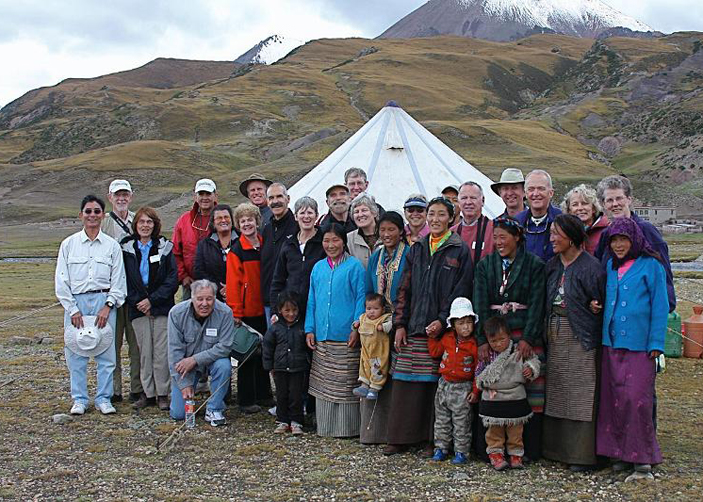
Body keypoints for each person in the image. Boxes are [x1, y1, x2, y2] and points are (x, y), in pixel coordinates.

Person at [385, 197, 473, 456]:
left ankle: (430, 440)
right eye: (431, 214)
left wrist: (444, 319)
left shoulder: (459, 249)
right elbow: (404, 288)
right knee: (403, 382)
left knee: (433, 387)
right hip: (413, 326)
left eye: (440, 215)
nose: (435, 219)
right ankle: (400, 437)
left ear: (451, 218)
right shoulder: (418, 248)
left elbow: (461, 290)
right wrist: (400, 323)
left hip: (441, 330)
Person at [596, 217, 667, 481]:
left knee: (637, 401)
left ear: (634, 239)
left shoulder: (651, 266)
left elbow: (660, 306)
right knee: (614, 401)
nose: (618, 245)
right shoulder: (611, 267)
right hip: (611, 343)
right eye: (614, 240)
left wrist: (656, 343)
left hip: (641, 346)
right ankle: (618, 455)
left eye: (623, 239)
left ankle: (642, 460)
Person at [473, 217, 546, 461]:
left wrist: (528, 337)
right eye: (496, 237)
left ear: (517, 237)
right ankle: (494, 449)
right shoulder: (486, 265)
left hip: (525, 332)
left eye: (503, 237)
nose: (498, 242)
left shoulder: (534, 265)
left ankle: (526, 450)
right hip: (495, 335)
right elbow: (480, 302)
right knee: (495, 388)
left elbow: (537, 304)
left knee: (530, 389)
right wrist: (483, 340)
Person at [543, 214, 605, 471]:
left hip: (581, 336)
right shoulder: (552, 265)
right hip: (555, 334)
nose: (552, 239)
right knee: (557, 389)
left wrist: (595, 306)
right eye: (551, 234)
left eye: (557, 234)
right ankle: (555, 450)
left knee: (581, 393)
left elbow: (601, 301)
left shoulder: (591, 267)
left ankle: (581, 455)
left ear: (572, 237)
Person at [55, 195, 126, 415]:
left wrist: (109, 305)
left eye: (97, 211)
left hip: (104, 302)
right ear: (81, 215)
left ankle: (104, 398)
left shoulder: (112, 246)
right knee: (76, 352)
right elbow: (61, 280)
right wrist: (72, 309)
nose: (92, 215)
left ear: (103, 215)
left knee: (106, 353)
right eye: (88, 211)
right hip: (77, 302)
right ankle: (79, 399)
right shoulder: (69, 244)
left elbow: (119, 280)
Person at [305, 224, 366, 437]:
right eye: (326, 241)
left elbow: (361, 298)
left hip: (346, 335)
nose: (330, 245)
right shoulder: (318, 267)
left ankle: (348, 429)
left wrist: (356, 327)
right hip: (322, 334)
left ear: (343, 241)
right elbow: (312, 299)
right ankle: (326, 427)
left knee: (346, 382)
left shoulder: (354, 266)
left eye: (335, 240)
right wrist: (309, 328)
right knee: (325, 384)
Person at [121, 207, 179, 411]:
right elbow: (123, 279)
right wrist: (139, 302)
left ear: (155, 225)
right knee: (144, 352)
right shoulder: (126, 248)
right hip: (137, 308)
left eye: (149, 222)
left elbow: (173, 279)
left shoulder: (165, 247)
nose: (145, 226)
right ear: (135, 225)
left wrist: (152, 301)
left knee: (161, 351)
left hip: (161, 307)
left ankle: (163, 393)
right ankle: (148, 393)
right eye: (141, 222)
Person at [361, 211, 410, 444]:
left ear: (401, 231)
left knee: (396, 376)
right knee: (374, 370)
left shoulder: (409, 255)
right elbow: (368, 290)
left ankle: (396, 434)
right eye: (383, 230)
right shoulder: (376, 257)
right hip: (376, 325)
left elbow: (413, 291)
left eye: (392, 229)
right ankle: (374, 433)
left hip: (400, 323)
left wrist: (400, 322)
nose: (387, 234)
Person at [595, 175, 675, 313]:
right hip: (611, 311)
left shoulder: (646, 230)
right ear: (603, 205)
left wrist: (666, 305)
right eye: (609, 200)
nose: (615, 204)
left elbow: (663, 272)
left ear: (629, 199)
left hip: (641, 313)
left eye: (619, 198)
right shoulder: (605, 235)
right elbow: (598, 268)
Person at [475, 316, 540, 471]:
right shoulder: (486, 355)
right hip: (493, 398)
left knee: (515, 430)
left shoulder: (517, 350)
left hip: (515, 397)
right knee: (494, 431)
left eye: (502, 339)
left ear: (509, 336)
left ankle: (516, 454)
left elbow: (534, 360)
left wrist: (530, 369)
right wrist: (482, 384)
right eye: (493, 341)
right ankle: (496, 454)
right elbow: (479, 375)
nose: (498, 344)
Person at [167, 279, 234, 427]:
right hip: (186, 367)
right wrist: (184, 383)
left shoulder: (225, 313)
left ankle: (214, 408)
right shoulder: (176, 314)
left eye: (209, 299)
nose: (204, 303)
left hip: (211, 362)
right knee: (178, 414)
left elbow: (225, 346)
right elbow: (174, 353)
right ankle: (186, 393)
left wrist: (195, 359)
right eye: (200, 299)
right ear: (192, 298)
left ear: (215, 298)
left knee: (224, 365)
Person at [226, 202, 272, 414]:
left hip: (265, 307)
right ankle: (246, 399)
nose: (246, 224)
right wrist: (235, 312)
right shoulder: (237, 250)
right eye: (242, 221)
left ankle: (264, 395)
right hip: (248, 309)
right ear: (238, 224)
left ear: (257, 221)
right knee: (247, 354)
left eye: (250, 220)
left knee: (264, 353)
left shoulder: (265, 244)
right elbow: (233, 282)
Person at [101, 179, 141, 403]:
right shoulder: (103, 223)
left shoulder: (139, 220)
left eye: (125, 194)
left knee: (135, 344)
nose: (121, 198)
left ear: (131, 196)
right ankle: (114, 390)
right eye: (117, 195)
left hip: (134, 292)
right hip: (111, 293)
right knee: (111, 344)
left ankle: (137, 388)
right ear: (110, 197)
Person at [428, 297, 480, 466]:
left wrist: (475, 390)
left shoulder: (474, 345)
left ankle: (461, 451)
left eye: (469, 322)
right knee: (442, 419)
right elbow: (435, 352)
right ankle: (441, 448)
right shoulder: (447, 339)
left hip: (462, 387)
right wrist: (431, 337)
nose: (466, 327)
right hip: (444, 384)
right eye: (461, 323)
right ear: (453, 324)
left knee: (461, 421)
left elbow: (478, 370)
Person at [270, 196, 326, 317]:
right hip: (292, 311)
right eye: (302, 213)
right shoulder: (288, 244)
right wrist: (275, 310)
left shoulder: (324, 243)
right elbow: (278, 280)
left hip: (318, 308)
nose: (306, 216)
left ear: (316, 216)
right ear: (296, 217)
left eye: (310, 212)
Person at [262, 292, 309, 435]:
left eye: (294, 310)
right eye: (287, 310)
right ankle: (282, 420)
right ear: (280, 310)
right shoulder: (275, 328)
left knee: (296, 395)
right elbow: (268, 347)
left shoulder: (303, 327)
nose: (291, 314)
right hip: (280, 367)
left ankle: (296, 421)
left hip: (298, 367)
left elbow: (307, 348)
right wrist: (269, 366)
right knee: (281, 395)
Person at [173, 179, 218, 300]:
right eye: (201, 194)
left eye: (208, 194)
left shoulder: (223, 218)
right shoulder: (184, 220)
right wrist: (183, 277)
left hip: (219, 284)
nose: (204, 198)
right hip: (191, 283)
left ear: (215, 196)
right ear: (195, 196)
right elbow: (176, 252)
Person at [261, 183, 298, 324]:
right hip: (269, 300)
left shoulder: (297, 227)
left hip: (291, 304)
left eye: (279, 196)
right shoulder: (267, 229)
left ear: (288, 199)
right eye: (271, 198)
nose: (275, 201)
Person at [352, 293, 392, 401]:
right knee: (364, 366)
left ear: (383, 310)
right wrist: (355, 325)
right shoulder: (363, 317)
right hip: (365, 350)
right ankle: (364, 385)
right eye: (368, 308)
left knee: (378, 368)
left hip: (378, 350)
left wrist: (383, 327)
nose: (371, 311)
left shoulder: (384, 318)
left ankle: (375, 388)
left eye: (375, 308)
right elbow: (357, 322)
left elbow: (391, 324)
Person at [515, 170, 562, 262]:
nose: (536, 194)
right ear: (525, 193)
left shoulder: (562, 221)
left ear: (551, 193)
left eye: (541, 189)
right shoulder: (517, 222)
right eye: (531, 189)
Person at [193, 204, 237, 302]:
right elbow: (199, 271)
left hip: (241, 295)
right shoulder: (204, 245)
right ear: (213, 222)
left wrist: (231, 287)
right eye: (219, 218)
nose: (223, 220)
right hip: (214, 297)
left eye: (226, 217)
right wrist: (218, 287)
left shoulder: (242, 240)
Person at [453, 182, 495, 268]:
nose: (468, 202)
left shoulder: (495, 229)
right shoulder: (451, 233)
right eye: (464, 198)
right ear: (458, 202)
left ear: (482, 201)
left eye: (473, 198)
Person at [561, 184, 609, 255]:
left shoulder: (607, 230)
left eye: (584, 203)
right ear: (569, 210)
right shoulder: (564, 232)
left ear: (593, 208)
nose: (580, 208)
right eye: (575, 205)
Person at [347, 193, 381, 268]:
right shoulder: (349, 239)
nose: (360, 214)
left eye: (364, 210)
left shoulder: (386, 235)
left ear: (374, 213)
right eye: (356, 212)